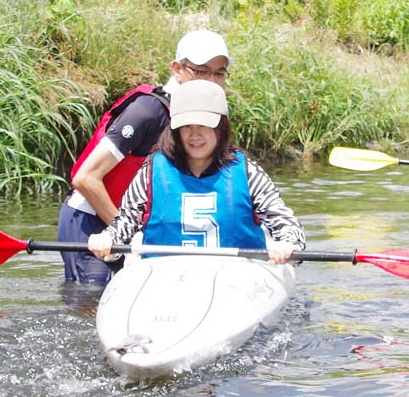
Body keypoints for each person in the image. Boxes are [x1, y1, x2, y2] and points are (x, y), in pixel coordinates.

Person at [57, 29, 231, 285]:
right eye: (202, 71)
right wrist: (127, 235)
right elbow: (85, 178)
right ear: (177, 69)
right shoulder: (148, 112)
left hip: (128, 226)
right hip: (91, 221)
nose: (210, 81)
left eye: (219, 73)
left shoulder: (203, 114)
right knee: (91, 304)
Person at [87, 80, 305, 265]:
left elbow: (286, 223)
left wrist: (287, 244)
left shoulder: (247, 172)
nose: (195, 135)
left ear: (221, 127)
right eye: (187, 126)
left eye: (204, 125)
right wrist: (108, 239)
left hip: (238, 278)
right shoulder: (152, 169)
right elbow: (124, 222)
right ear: (175, 129)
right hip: (165, 277)